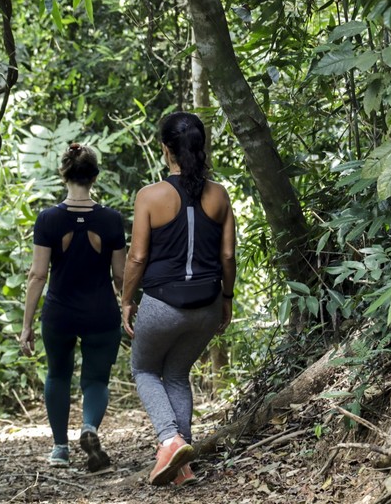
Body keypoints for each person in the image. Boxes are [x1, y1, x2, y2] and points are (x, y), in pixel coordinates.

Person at [120, 111, 236, 487]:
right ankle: (181, 467)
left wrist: (126, 301)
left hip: (162, 304)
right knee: (176, 374)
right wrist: (227, 299)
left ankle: (169, 440)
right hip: (206, 305)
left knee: (143, 370)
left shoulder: (149, 196)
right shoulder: (219, 195)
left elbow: (137, 257)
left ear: (165, 148)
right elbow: (228, 256)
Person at [19, 143, 126, 472]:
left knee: (58, 375)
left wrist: (26, 325)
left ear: (63, 175)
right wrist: (129, 307)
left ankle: (60, 450)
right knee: (96, 380)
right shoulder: (110, 220)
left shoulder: (48, 219)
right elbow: (121, 276)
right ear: (95, 176)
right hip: (101, 314)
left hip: (60, 313)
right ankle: (90, 428)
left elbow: (38, 275)